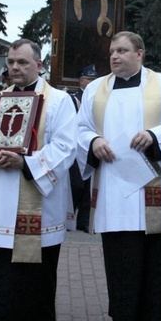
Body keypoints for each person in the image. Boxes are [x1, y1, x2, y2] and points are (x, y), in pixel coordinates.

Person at [76, 31, 161, 321]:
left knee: (157, 266)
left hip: (153, 193)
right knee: (121, 267)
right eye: (112, 51)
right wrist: (94, 141)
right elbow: (79, 129)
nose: (114, 56)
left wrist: (155, 136)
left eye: (122, 50)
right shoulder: (95, 91)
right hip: (114, 196)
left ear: (140, 54)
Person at [0, 39, 77, 321]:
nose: (14, 67)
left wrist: (25, 163)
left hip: (37, 206)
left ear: (39, 65)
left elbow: (67, 147)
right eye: (11, 62)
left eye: (22, 62)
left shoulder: (58, 101)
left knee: (31, 279)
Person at [70, 64, 97, 233]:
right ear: (81, 81)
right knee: (76, 185)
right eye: (90, 79)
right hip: (76, 146)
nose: (93, 82)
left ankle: (85, 220)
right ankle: (69, 217)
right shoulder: (73, 99)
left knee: (89, 187)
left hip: (92, 146)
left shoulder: (98, 97)